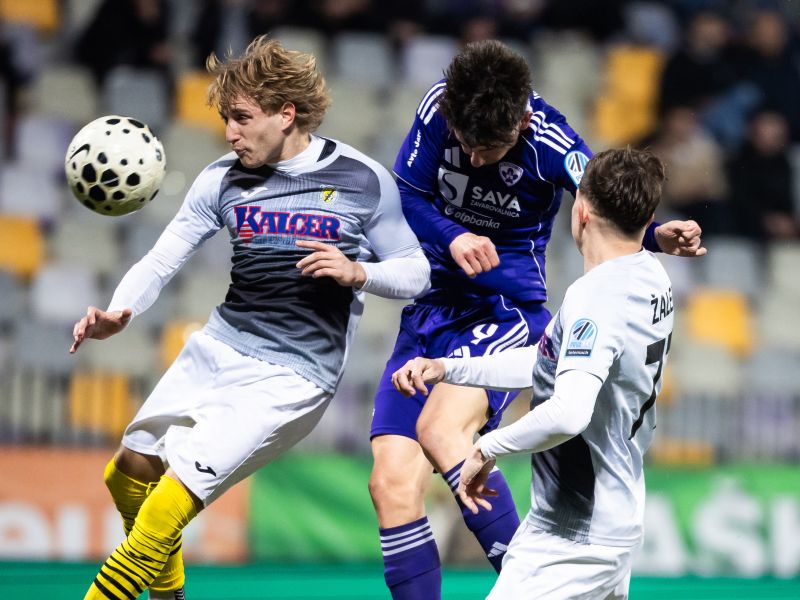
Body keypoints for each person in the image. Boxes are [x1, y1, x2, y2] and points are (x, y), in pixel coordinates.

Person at [70, 35, 430, 600]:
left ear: (285, 114)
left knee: (166, 507)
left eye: (241, 118)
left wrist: (359, 272)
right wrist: (121, 311)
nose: (230, 133)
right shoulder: (222, 178)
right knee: (129, 473)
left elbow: (417, 272)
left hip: (294, 373)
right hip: (220, 344)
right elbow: (162, 258)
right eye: (226, 120)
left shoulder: (362, 179)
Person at [368, 40, 704, 599]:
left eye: (488, 149)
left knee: (441, 431)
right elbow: (405, 192)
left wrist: (654, 235)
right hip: (430, 308)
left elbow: (605, 201)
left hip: (503, 310)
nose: (474, 160)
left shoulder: (552, 141)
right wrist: (453, 237)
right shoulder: (439, 106)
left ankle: (533, 578)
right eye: (465, 145)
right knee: (390, 484)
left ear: (522, 122)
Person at [392, 147, 674, 599]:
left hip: (573, 535)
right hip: (610, 514)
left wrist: (486, 447)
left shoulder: (597, 298)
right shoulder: (650, 277)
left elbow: (568, 413)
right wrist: (448, 368)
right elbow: (548, 360)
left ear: (581, 211)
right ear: (649, 218)